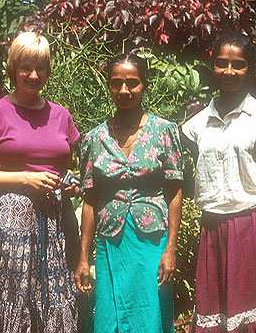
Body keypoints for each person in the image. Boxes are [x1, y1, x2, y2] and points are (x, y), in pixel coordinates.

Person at [181, 32, 256, 332]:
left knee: (253, 312)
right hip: (213, 229)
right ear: (212, 65)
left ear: (251, 68)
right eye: (221, 63)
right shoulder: (194, 126)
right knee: (215, 311)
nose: (229, 72)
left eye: (238, 65)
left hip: (253, 226)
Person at [0, 32, 80, 333]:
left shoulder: (61, 116)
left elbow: (69, 169)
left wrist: (70, 184)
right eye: (26, 67)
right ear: (13, 69)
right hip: (11, 228)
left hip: (54, 225)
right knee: (12, 301)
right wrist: (24, 179)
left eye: (40, 67)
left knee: (54, 299)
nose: (33, 75)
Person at [74, 53, 184, 333]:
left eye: (132, 83)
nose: (124, 91)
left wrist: (171, 249)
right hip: (111, 240)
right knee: (109, 319)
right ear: (108, 86)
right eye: (116, 83)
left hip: (152, 241)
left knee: (149, 315)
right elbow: (89, 199)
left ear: (145, 84)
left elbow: (174, 191)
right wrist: (84, 258)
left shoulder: (164, 131)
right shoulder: (93, 138)